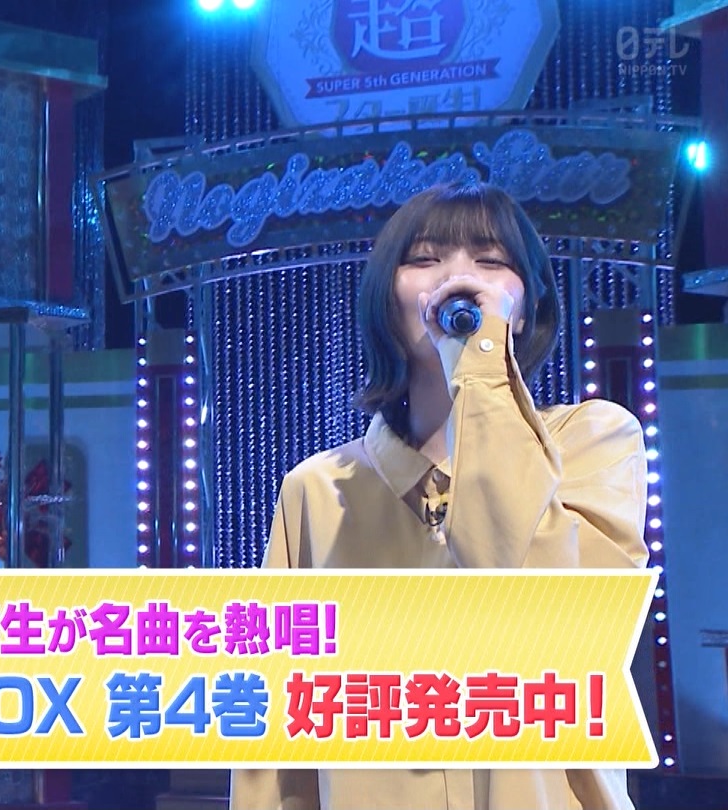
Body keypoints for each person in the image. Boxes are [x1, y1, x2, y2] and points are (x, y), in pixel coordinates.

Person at [231, 182, 648, 810]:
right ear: (385, 301)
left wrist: (480, 363)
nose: (458, 279)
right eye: (425, 259)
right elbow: (276, 727)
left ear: (526, 308)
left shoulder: (594, 443)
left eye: (490, 261)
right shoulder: (318, 490)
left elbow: (555, 620)